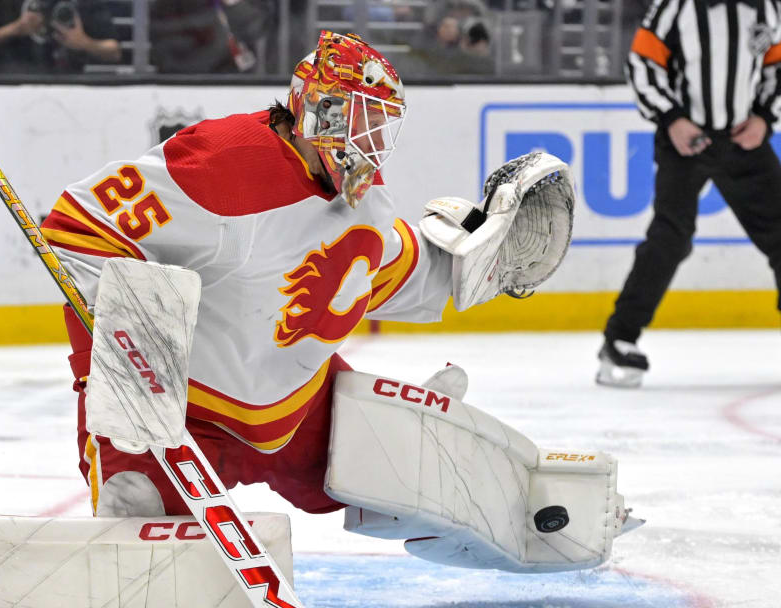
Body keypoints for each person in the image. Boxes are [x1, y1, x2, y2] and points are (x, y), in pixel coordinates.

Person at [41, 31, 626, 573]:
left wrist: (475, 263)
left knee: (408, 469)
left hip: (297, 412)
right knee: (134, 514)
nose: (369, 144)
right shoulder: (225, 161)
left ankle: (537, 519)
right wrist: (129, 350)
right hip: (184, 420)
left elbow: (389, 271)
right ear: (313, 108)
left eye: (381, 126)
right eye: (358, 121)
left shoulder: (362, 201)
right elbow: (78, 226)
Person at [598, 0, 781, 387]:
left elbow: (776, 66)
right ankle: (620, 338)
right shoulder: (677, 6)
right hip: (686, 141)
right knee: (670, 238)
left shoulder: (768, 7)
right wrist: (672, 119)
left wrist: (764, 117)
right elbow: (643, 64)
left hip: (743, 140)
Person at [0, 0, 120, 74]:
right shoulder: (1, 4)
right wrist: (13, 30)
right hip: (10, 87)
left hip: (70, 89)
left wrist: (84, 43)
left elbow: (114, 52)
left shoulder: (84, 3)